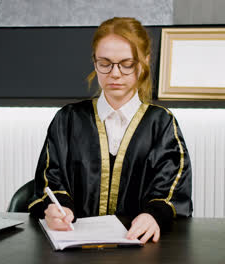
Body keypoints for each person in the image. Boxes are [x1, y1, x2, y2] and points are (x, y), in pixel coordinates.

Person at [28, 17, 192, 244]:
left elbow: (172, 188)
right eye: (105, 63)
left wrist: (154, 215)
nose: (115, 73)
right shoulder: (68, 120)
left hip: (140, 248)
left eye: (127, 63)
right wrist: (58, 209)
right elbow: (50, 179)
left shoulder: (161, 123)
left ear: (144, 62)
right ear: (94, 62)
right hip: (74, 248)